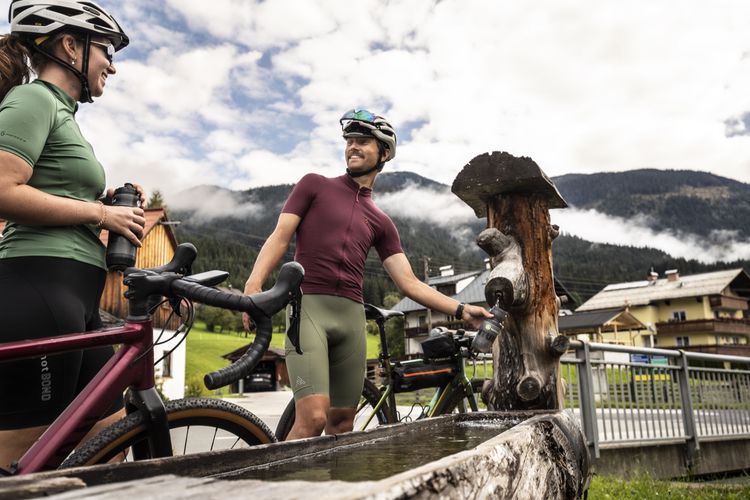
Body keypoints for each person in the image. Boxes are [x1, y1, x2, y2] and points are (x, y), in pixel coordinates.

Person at [243, 109, 492, 440]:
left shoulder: (381, 222)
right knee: (313, 418)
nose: (352, 147)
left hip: (351, 320)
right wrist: (253, 286)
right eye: (349, 141)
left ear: (384, 153)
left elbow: (409, 283)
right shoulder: (314, 185)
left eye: (363, 141)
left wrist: (462, 310)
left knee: (343, 424)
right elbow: (280, 236)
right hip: (309, 311)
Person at [0, 0, 145, 469]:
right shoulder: (33, 99)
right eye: (106, 51)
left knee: (110, 432)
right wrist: (100, 214)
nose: (112, 67)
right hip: (37, 286)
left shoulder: (62, 114)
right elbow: (2, 189)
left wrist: (106, 203)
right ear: (70, 45)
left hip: (75, 297)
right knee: (20, 453)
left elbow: (52, 189)